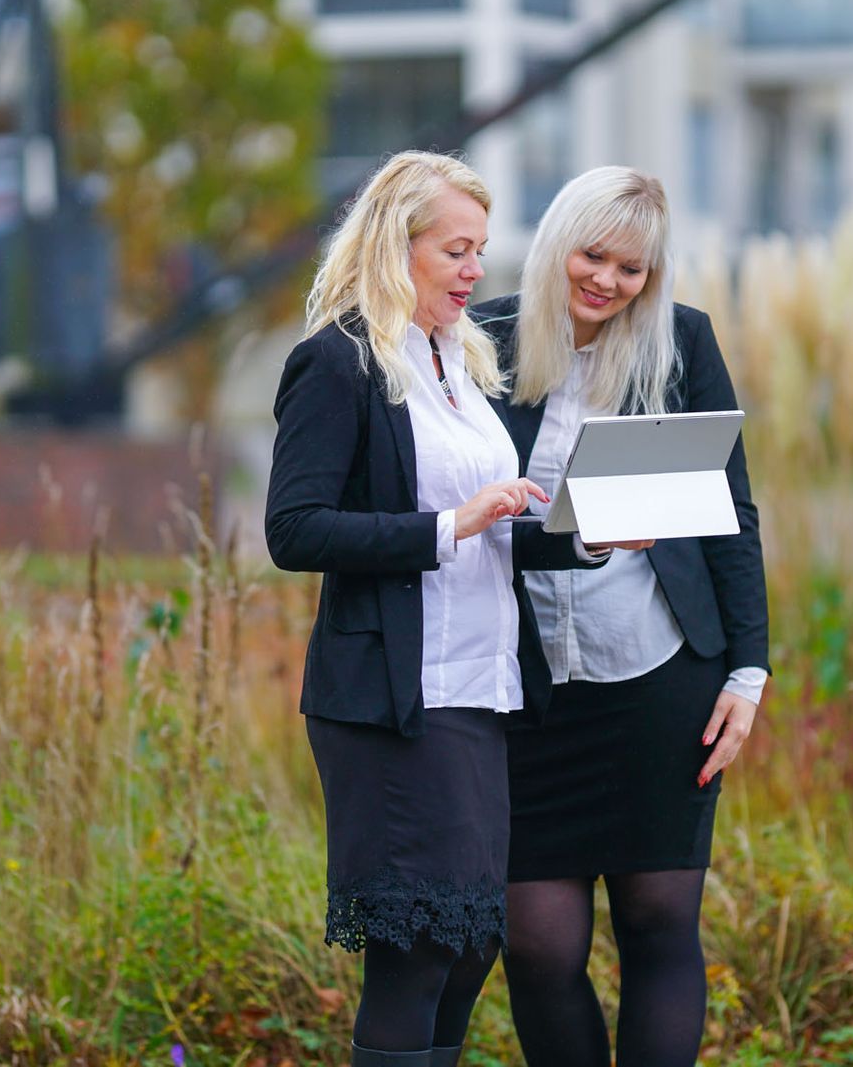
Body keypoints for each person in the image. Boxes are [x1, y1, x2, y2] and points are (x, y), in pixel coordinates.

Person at [264, 151, 614, 1067]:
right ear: (395, 246)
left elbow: (487, 533)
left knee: (468, 945)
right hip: (392, 700)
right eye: (456, 250)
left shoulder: (460, 364)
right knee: (418, 951)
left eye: (480, 251)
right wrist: (444, 524)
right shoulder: (337, 363)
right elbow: (294, 529)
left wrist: (583, 536)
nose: (475, 271)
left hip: (480, 689)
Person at [471, 166, 771, 1067]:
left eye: (631, 268)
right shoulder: (478, 341)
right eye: (592, 255)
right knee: (536, 943)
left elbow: (734, 513)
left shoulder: (681, 344)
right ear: (558, 242)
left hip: (659, 675)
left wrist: (748, 673)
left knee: (657, 922)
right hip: (523, 690)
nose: (607, 280)